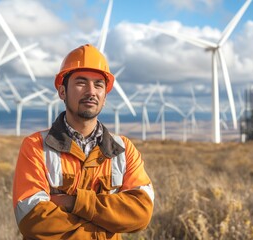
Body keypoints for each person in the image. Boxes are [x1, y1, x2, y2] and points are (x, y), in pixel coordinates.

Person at [12, 44, 154, 239]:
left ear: (105, 97)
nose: (91, 91)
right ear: (62, 92)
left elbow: (141, 213)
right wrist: (108, 222)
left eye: (98, 85)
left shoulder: (123, 149)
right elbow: (32, 220)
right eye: (81, 82)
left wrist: (72, 202)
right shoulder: (36, 146)